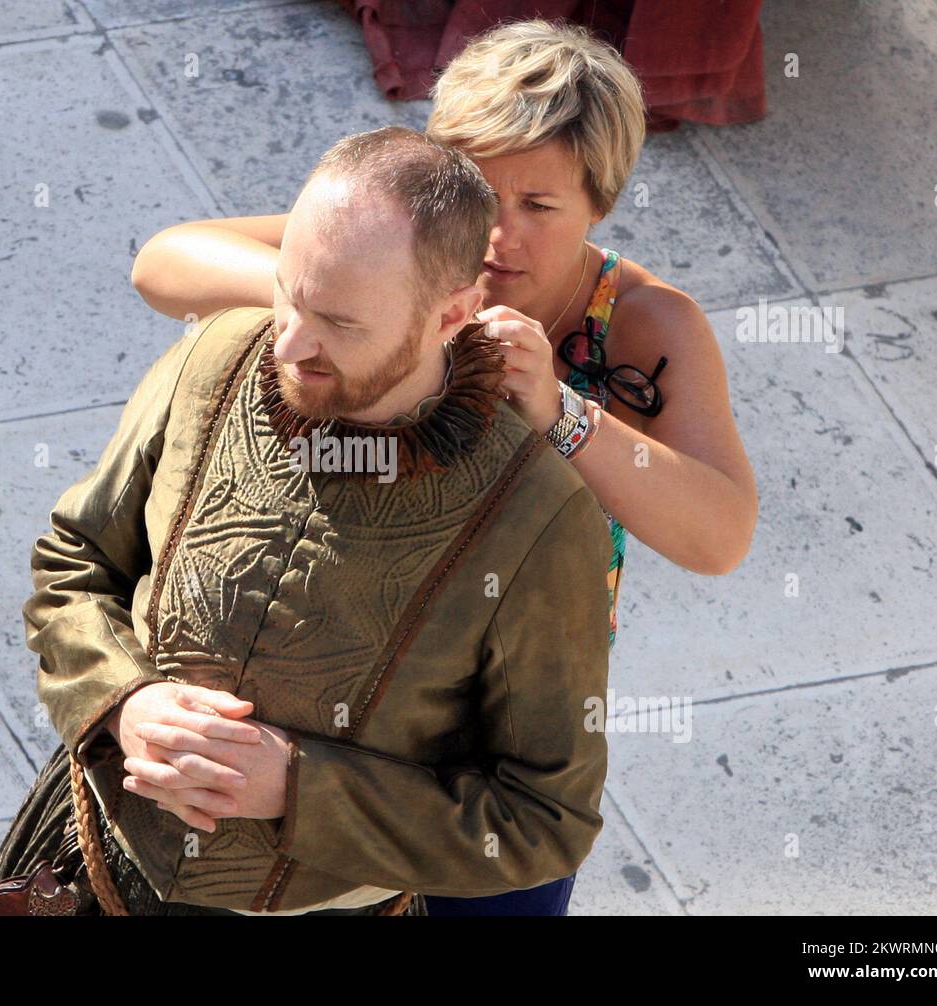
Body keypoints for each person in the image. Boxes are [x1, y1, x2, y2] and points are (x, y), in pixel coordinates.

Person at [128, 19, 758, 916]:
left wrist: (562, 412)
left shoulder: (645, 326)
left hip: (499, 725)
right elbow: (163, 260)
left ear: (601, 206)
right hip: (335, 675)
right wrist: (341, 307)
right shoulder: (395, 251)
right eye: (478, 194)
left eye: (540, 207)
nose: (498, 235)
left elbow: (721, 534)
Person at [0, 125, 613, 916]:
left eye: (342, 324)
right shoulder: (213, 359)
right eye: (288, 293)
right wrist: (123, 700)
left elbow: (542, 821)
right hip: (81, 868)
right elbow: (75, 561)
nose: (290, 343)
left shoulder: (539, 520)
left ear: (454, 313)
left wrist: (300, 787)